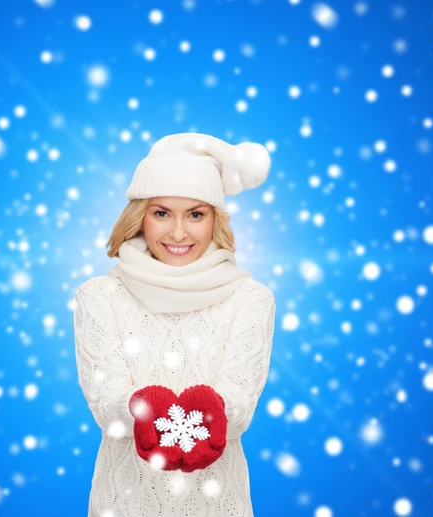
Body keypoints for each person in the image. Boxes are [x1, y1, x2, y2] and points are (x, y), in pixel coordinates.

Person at [73, 132, 277, 516]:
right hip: (124, 505)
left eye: (196, 214)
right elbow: (106, 403)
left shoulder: (250, 299)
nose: (179, 233)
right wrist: (149, 408)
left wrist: (177, 418)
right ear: (139, 217)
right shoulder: (99, 296)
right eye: (162, 213)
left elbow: (238, 408)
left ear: (214, 219)